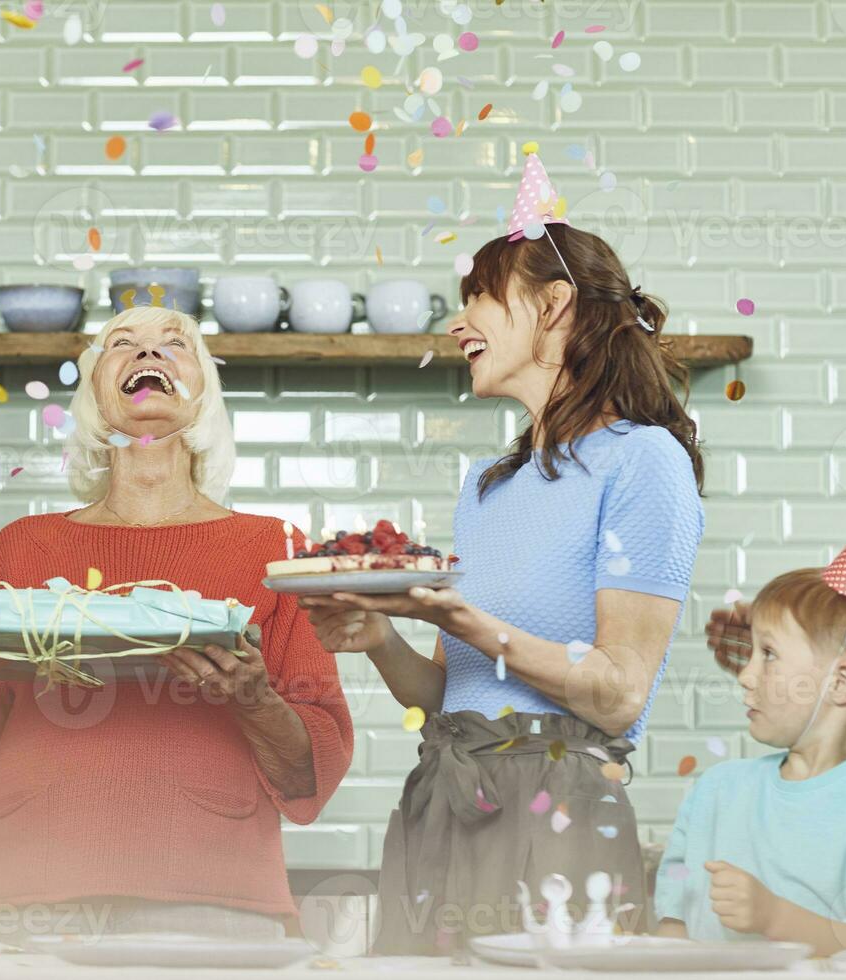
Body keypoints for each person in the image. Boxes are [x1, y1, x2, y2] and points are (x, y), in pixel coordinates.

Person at [301, 148, 705, 953]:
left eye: (479, 299)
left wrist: (471, 621)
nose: (458, 325)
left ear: (554, 304)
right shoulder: (489, 487)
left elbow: (619, 694)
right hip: (444, 801)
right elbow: (454, 698)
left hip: (557, 815)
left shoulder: (643, 460)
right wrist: (380, 639)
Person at [0, 305, 353, 943]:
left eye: (176, 343)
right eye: (123, 343)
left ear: (204, 395)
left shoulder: (274, 548)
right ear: (92, 396)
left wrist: (253, 699)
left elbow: (312, 776)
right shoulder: (25, 546)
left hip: (213, 897)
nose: (149, 353)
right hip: (29, 896)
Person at [654, 566, 846, 954]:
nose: (744, 675)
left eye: (769, 653)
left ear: (841, 683)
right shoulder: (717, 790)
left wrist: (775, 917)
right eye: (752, 652)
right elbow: (673, 929)